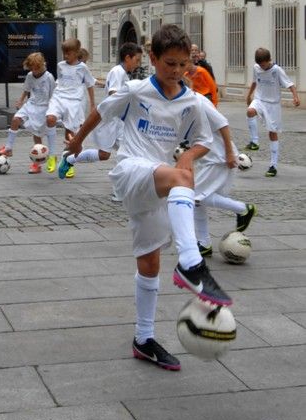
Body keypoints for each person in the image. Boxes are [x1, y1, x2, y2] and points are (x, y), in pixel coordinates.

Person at [66, 24, 231, 372]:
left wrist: (189, 154)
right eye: (169, 63)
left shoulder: (192, 101)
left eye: (183, 64)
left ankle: (143, 339)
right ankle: (190, 262)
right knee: (182, 178)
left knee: (149, 262)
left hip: (159, 185)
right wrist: (79, 141)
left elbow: (204, 139)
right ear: (153, 58)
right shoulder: (136, 89)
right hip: (132, 171)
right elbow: (102, 112)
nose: (177, 71)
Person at [58, 42, 143, 191]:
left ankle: (122, 186)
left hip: (119, 122)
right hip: (109, 121)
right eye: (137, 60)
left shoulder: (122, 73)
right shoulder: (118, 72)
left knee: (127, 152)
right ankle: (69, 159)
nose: (138, 64)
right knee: (105, 155)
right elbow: (114, 94)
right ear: (127, 58)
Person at [191, 94, 257, 257]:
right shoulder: (181, 105)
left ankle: (243, 209)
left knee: (195, 197)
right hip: (209, 159)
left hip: (218, 158)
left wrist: (229, 152)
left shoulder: (197, 101)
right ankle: (204, 243)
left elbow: (223, 124)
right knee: (198, 202)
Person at [0, 52, 55, 173]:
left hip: (44, 107)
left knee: (37, 136)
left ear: (42, 65)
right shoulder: (30, 75)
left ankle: (37, 164)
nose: (34, 71)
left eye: (36, 68)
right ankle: (8, 148)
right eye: (31, 68)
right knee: (15, 119)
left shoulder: (49, 77)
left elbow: (53, 95)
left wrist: (53, 110)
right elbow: (26, 89)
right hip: (31, 104)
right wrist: (21, 100)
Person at [245, 47, 300, 177]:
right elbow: (254, 82)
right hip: (259, 99)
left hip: (273, 104)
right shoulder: (256, 68)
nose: (262, 67)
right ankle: (255, 142)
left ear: (269, 60)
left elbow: (290, 84)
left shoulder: (277, 70)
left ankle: (273, 165)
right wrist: (249, 95)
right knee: (250, 111)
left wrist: (296, 97)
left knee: (272, 133)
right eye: (260, 65)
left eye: (263, 64)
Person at [45, 38, 96, 175]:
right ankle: (51, 155)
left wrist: (92, 104)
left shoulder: (83, 68)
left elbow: (90, 85)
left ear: (76, 52)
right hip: (59, 97)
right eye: (64, 53)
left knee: (70, 132)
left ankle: (68, 160)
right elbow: (60, 81)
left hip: (74, 101)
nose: (65, 56)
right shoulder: (60, 65)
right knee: (50, 119)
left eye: (68, 53)